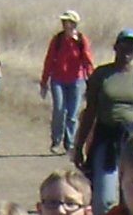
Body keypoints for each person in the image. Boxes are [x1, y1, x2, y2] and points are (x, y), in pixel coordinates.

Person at [72, 28, 133, 215]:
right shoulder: (101, 75)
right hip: (106, 139)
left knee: (132, 194)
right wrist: (79, 145)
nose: (127, 50)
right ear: (116, 46)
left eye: (132, 47)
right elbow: (90, 112)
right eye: (124, 45)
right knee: (104, 198)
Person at [39, 10, 94, 154]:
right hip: (58, 79)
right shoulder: (57, 40)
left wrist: (92, 82)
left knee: (73, 113)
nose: (64, 24)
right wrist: (44, 81)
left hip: (77, 80)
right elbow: (49, 60)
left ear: (74, 23)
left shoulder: (82, 41)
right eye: (63, 21)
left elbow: (88, 62)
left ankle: (69, 144)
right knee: (59, 110)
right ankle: (56, 141)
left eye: (67, 21)